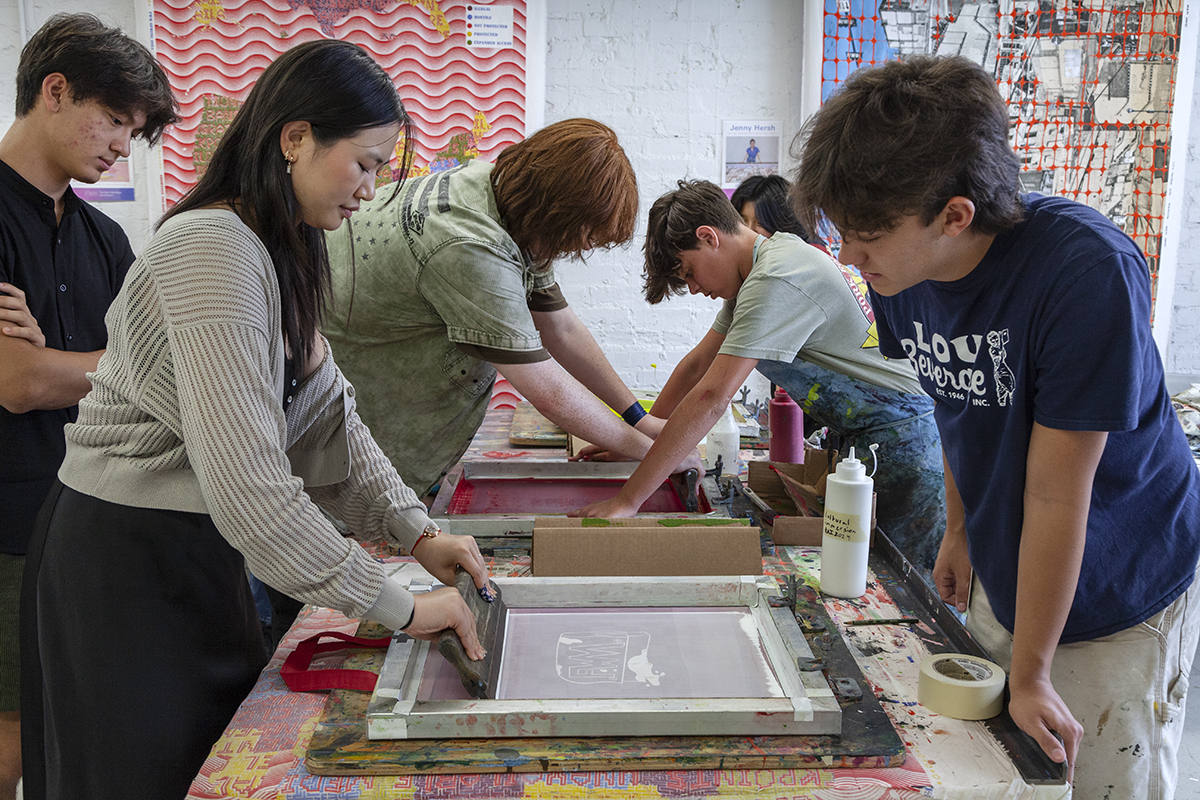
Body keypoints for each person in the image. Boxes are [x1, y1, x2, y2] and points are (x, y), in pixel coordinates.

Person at [20, 39, 490, 800]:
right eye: (365, 163)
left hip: (193, 550)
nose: (370, 190)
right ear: (295, 138)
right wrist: (397, 605)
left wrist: (418, 531)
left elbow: (329, 413)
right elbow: (253, 489)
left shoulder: (283, 246)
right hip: (124, 561)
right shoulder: (213, 248)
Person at [790, 54, 1200, 799]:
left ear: (955, 214)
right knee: (1001, 773)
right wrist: (959, 528)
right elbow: (957, 401)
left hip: (1120, 582)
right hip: (1016, 566)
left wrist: (1035, 672)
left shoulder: (1085, 272)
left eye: (867, 234)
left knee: (1101, 772)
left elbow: (1057, 495)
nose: (849, 256)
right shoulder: (902, 274)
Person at [573, 179, 945, 576]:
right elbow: (697, 366)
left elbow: (712, 396)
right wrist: (639, 442)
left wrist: (628, 501)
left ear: (708, 237)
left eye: (689, 272)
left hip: (908, 446)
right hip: (868, 439)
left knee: (902, 589)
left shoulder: (777, 277)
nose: (695, 288)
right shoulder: (764, 265)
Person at [322, 118, 698, 499]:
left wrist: (639, 420)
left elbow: (560, 328)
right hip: (342, 406)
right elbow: (545, 386)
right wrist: (656, 455)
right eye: (584, 235)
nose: (582, 249)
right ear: (558, 211)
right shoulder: (469, 245)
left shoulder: (501, 196)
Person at [0, 13, 178, 799]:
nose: (119, 145)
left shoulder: (105, 238)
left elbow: (160, 367)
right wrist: (104, 366)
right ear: (55, 89)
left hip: (93, 513)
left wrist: (63, 362)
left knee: (74, 724)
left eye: (132, 131)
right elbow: (20, 385)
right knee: (11, 736)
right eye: (112, 119)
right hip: (7, 524)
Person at [729, 174, 827, 251]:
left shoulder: (809, 254)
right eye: (743, 220)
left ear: (781, 222)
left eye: (760, 223)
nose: (749, 230)